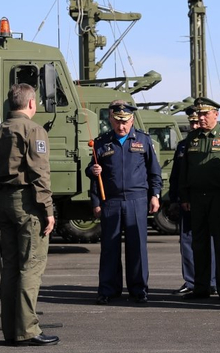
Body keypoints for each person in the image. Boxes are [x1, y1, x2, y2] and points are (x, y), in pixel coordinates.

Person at [0, 83, 59, 346]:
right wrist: (47, 209)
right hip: (27, 203)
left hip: (3, 201)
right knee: (31, 266)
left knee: (11, 268)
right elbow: (40, 173)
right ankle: (27, 329)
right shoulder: (33, 130)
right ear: (30, 103)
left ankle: (11, 330)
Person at [86, 100, 162, 305]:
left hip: (137, 200)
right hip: (111, 201)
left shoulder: (144, 141)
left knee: (137, 247)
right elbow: (92, 174)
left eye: (125, 121)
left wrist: (155, 195)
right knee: (109, 247)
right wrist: (95, 200)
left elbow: (154, 172)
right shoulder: (101, 143)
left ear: (132, 120)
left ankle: (139, 290)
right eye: (117, 121)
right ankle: (108, 290)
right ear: (110, 119)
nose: (122, 126)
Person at [179, 97, 220, 301]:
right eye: (199, 114)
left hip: (219, 197)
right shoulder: (192, 137)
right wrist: (184, 196)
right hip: (196, 197)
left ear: (215, 115)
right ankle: (201, 287)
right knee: (199, 243)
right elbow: (185, 169)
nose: (201, 118)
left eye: (205, 114)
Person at [168, 106, 216, 295]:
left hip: (208, 199)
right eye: (192, 123)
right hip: (187, 200)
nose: (195, 125)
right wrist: (174, 199)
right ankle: (190, 281)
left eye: (197, 121)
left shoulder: (215, 141)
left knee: (210, 240)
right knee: (186, 241)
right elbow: (176, 175)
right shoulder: (183, 144)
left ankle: (211, 281)